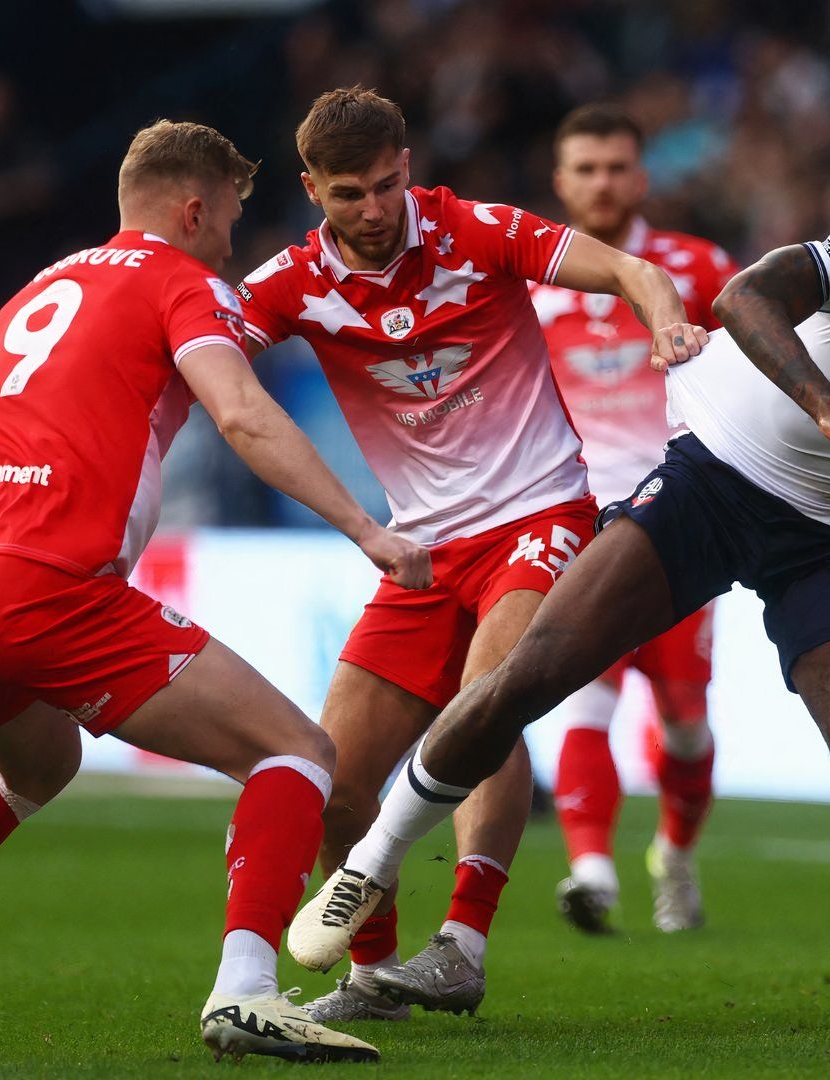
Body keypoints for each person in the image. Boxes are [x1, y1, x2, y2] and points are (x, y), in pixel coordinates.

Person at [297, 193, 830, 1026]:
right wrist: (824, 407)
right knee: (530, 674)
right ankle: (370, 867)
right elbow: (741, 298)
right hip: (710, 480)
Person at [0, 120, 427, 1064]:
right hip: (45, 588)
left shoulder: (39, 286)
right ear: (192, 210)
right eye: (232, 218)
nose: (233, 240)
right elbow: (240, 412)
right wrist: (367, 528)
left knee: (35, 769)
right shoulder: (182, 282)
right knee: (297, 751)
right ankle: (245, 992)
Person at [239, 88, 704, 1021]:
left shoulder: (474, 230)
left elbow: (630, 271)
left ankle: (463, 943)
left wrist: (666, 321)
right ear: (310, 191)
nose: (373, 212)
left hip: (543, 516)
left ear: (408, 165)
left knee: (485, 707)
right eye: (347, 196)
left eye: (386, 185)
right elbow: (197, 352)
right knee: (335, 778)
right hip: (421, 550)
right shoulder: (290, 285)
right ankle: (374, 975)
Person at [530, 104, 737, 934]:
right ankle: (590, 871)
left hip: (685, 520)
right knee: (585, 695)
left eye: (616, 167)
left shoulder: (697, 264)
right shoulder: (528, 276)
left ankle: (675, 859)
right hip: (581, 524)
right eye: (586, 169)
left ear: (640, 177)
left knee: (686, 724)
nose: (602, 183)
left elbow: (756, 365)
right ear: (560, 181)